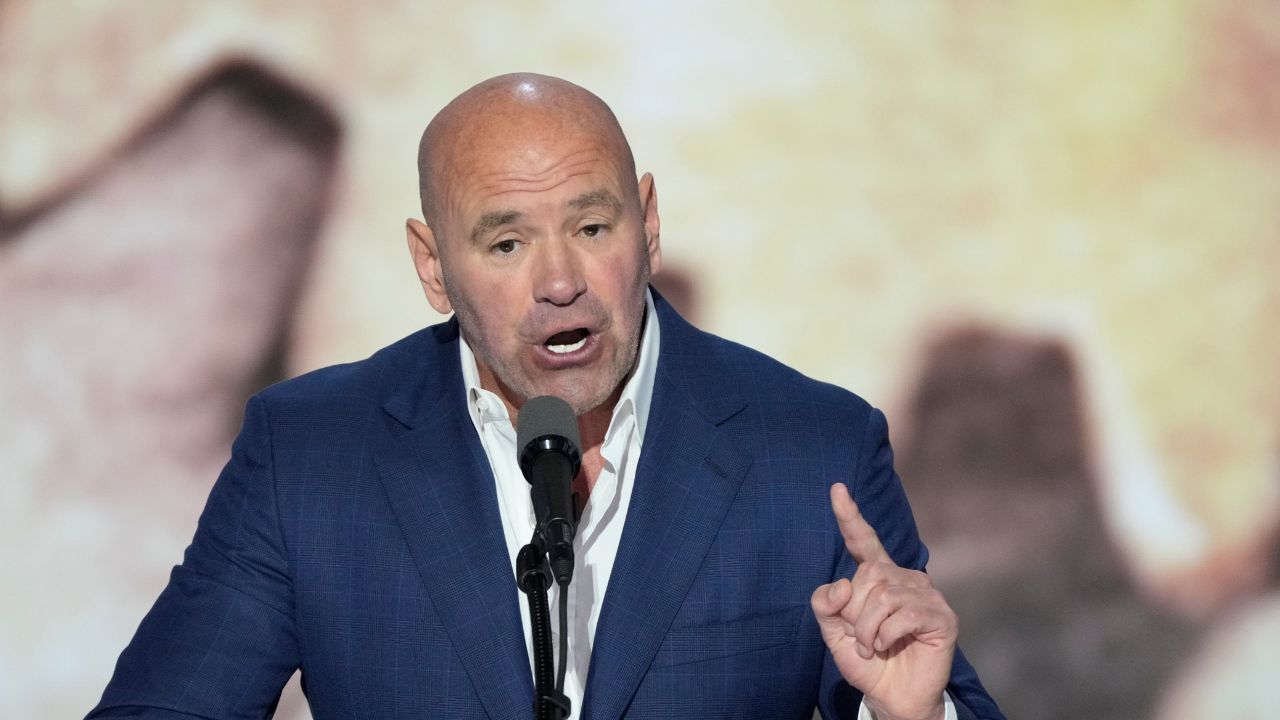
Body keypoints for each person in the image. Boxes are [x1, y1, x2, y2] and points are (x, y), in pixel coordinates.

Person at [89, 73, 1004, 720]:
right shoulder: (311, 455)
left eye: (593, 226)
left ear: (647, 223)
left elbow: (930, 696)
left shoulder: (813, 451)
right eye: (506, 244)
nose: (561, 281)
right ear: (432, 266)